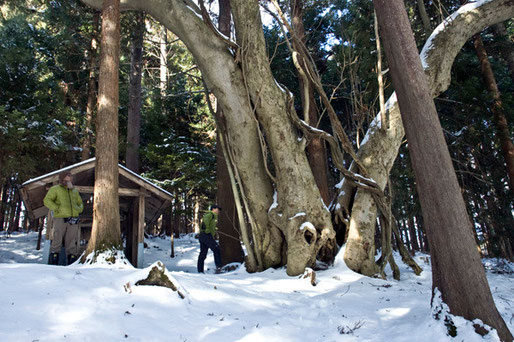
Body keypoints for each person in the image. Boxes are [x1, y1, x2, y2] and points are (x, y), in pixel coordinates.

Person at [43, 171, 84, 265]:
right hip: (60, 218)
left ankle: (71, 264)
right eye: (67, 177)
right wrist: (57, 208)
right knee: (57, 240)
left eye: (70, 177)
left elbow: (80, 204)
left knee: (71, 242)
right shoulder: (55, 189)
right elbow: (47, 200)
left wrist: (78, 209)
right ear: (62, 179)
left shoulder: (74, 191)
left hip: (73, 219)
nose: (69, 179)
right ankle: (53, 263)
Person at [197, 204, 222, 273]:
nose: (219, 211)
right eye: (218, 209)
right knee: (216, 249)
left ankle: (200, 271)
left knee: (203, 254)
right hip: (206, 235)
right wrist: (207, 230)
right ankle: (219, 267)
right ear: (213, 209)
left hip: (203, 236)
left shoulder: (213, 216)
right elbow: (205, 220)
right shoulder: (211, 214)